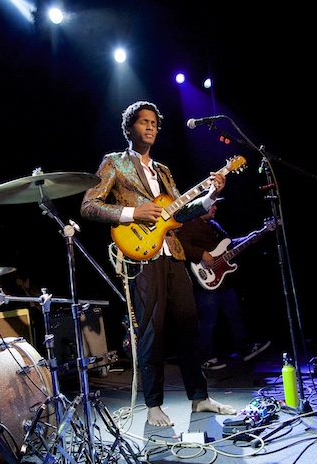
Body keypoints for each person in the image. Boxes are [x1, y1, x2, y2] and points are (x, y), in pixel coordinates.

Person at [80, 101, 237, 428]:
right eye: (144, 122)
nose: (151, 127)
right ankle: (153, 405)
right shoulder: (114, 162)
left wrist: (208, 197)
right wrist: (131, 213)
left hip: (174, 254)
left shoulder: (163, 171)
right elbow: (89, 206)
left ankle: (200, 398)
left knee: (189, 328)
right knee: (151, 331)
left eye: (154, 123)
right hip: (142, 255)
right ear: (129, 128)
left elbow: (180, 212)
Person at [174, 200, 271, 370]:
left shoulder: (214, 225)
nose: (215, 208)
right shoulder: (189, 224)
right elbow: (179, 244)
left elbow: (229, 244)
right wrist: (201, 253)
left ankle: (245, 348)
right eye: (212, 205)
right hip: (202, 279)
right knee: (208, 320)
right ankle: (205, 357)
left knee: (234, 313)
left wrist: (251, 237)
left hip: (222, 279)